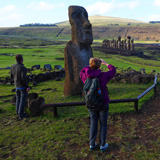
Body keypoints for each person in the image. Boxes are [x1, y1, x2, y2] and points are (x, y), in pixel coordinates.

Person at [80, 57, 116, 152]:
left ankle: (92, 144)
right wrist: (106, 63)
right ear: (99, 65)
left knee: (93, 123)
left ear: (90, 65)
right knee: (103, 124)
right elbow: (113, 70)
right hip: (103, 102)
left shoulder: (86, 76)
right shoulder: (103, 76)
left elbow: (82, 71)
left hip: (91, 103)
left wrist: (89, 65)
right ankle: (102, 145)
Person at [10, 54, 30, 120]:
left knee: (18, 100)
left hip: (16, 86)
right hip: (22, 86)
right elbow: (23, 78)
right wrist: (27, 86)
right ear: (22, 59)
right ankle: (21, 114)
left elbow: (11, 76)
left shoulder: (12, 66)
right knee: (22, 100)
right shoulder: (23, 68)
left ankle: (18, 112)